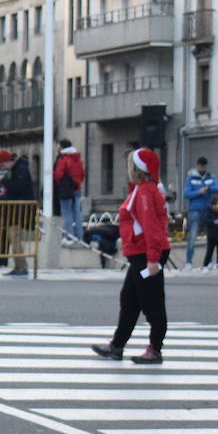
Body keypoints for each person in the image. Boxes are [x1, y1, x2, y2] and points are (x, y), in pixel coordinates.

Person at [92, 148, 170, 365]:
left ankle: (154, 349)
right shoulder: (143, 189)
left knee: (152, 302)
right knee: (130, 300)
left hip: (145, 253)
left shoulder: (144, 191)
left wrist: (153, 258)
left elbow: (151, 226)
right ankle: (117, 345)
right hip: (142, 252)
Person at [182, 156, 218, 270]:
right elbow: (186, 194)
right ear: (197, 166)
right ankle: (189, 262)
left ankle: (208, 261)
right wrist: (198, 192)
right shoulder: (191, 178)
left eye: (204, 166)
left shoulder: (210, 177)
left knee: (211, 237)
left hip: (208, 209)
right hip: (195, 210)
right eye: (200, 166)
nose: (202, 168)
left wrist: (208, 187)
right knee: (192, 236)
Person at [3, 150, 34, 276]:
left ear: (8, 161)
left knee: (15, 237)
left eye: (3, 164)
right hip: (17, 209)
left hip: (19, 210)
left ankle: (21, 266)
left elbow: (18, 187)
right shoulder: (18, 169)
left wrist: (4, 182)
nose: (3, 168)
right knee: (14, 238)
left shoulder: (20, 169)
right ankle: (19, 265)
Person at [53, 138, 86, 243]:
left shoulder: (63, 158)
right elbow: (82, 174)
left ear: (62, 147)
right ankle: (80, 236)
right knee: (77, 212)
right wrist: (77, 183)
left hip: (66, 189)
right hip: (77, 188)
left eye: (58, 147)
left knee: (67, 213)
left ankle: (69, 236)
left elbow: (58, 174)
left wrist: (60, 185)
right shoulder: (77, 158)